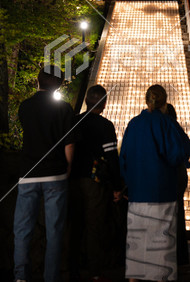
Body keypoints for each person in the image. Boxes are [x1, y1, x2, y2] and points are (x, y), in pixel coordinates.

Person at [120, 85, 190, 282]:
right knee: (161, 243)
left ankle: (135, 278)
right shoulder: (167, 123)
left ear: (147, 100)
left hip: (138, 192)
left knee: (137, 239)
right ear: (165, 101)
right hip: (162, 190)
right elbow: (180, 150)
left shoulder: (133, 124)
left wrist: (128, 182)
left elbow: (124, 157)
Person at [13, 65, 75, 282]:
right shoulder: (64, 109)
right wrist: (67, 166)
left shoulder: (25, 107)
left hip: (28, 174)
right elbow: (69, 144)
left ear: (37, 82)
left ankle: (21, 276)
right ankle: (51, 277)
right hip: (55, 175)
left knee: (22, 229)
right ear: (58, 85)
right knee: (55, 230)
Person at [69, 84, 123, 282]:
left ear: (85, 101)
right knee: (94, 225)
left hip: (72, 179)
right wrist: (117, 186)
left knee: (75, 224)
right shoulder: (105, 126)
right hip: (95, 182)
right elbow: (111, 157)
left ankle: (72, 267)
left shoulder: (73, 121)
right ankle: (94, 271)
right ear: (104, 104)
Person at [162, 102, 189, 266]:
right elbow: (188, 146)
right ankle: (179, 256)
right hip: (178, 174)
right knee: (177, 216)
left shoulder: (160, 127)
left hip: (166, 175)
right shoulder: (175, 127)